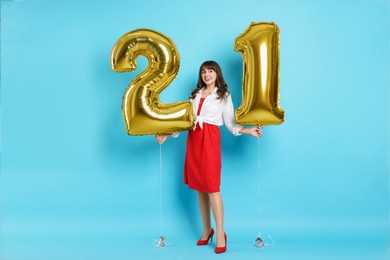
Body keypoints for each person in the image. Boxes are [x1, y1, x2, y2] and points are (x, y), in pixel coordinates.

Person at [156, 60, 262, 254]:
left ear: (217, 73)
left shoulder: (224, 95)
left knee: (212, 187)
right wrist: (166, 135)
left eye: (210, 71)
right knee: (199, 187)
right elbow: (185, 121)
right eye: (203, 72)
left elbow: (230, 124)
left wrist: (249, 131)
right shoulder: (195, 95)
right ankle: (207, 229)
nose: (207, 75)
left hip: (210, 140)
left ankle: (220, 233)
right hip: (194, 140)